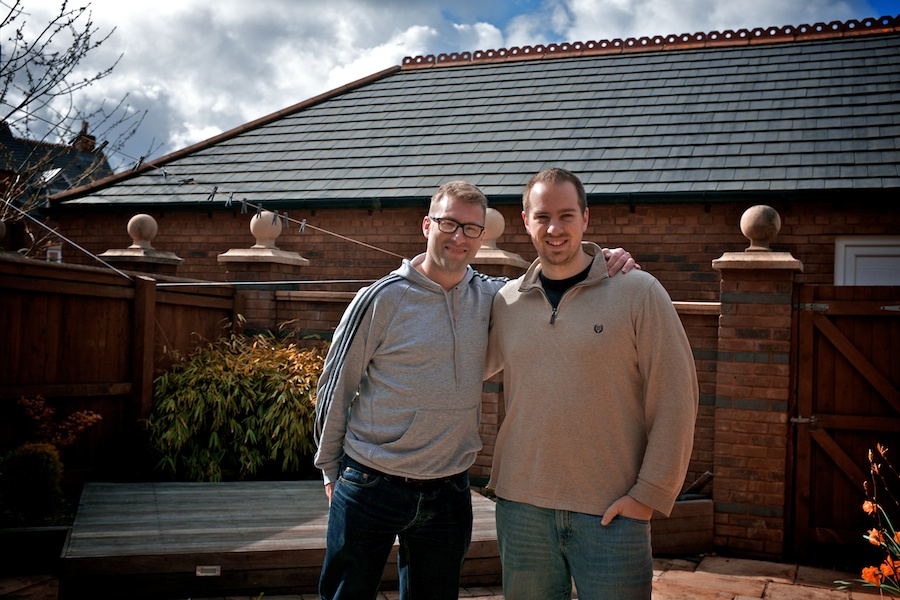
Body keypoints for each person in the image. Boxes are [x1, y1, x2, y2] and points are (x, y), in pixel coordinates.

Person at [313, 180, 636, 599]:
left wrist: (604, 259)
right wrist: (329, 468)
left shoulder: (494, 298)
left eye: (471, 228)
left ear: (482, 237)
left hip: (448, 491)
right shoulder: (381, 298)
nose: (459, 237)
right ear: (427, 225)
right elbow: (336, 383)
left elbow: (551, 280)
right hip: (371, 482)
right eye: (449, 224)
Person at [485, 168, 699, 600]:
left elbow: (676, 398)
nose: (555, 228)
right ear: (525, 221)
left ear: (586, 217)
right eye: (542, 216)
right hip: (522, 510)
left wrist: (649, 496)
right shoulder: (505, 301)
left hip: (612, 514)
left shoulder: (638, 291)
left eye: (567, 215)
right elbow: (457, 365)